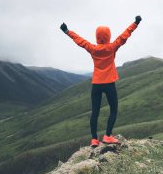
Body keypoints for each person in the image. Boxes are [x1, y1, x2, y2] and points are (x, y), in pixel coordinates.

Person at [60, 16, 142, 147]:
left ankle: (94, 139)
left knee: (95, 112)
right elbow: (124, 36)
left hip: (96, 84)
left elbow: (80, 41)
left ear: (97, 37)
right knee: (114, 109)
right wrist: (136, 23)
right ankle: (108, 136)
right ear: (109, 36)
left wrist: (67, 31)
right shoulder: (112, 47)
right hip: (109, 83)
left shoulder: (92, 49)